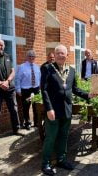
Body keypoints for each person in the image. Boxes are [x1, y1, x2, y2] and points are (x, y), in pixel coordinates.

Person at [40, 44, 93, 176]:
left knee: (64, 136)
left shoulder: (72, 70)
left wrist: (88, 95)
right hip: (53, 110)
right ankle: (45, 163)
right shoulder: (47, 68)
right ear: (54, 54)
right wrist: (49, 108)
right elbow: (44, 90)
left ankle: (61, 159)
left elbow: (74, 89)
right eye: (57, 53)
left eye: (62, 53)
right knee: (51, 137)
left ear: (67, 55)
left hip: (67, 109)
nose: (60, 55)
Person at [15, 50, 41, 130]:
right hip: (26, 90)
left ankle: (36, 122)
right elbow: (17, 79)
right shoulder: (21, 67)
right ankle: (27, 123)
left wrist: (40, 88)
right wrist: (18, 89)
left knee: (36, 106)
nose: (31, 57)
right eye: (29, 56)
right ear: (26, 57)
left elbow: (40, 78)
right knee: (26, 107)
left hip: (36, 89)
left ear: (35, 58)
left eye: (33, 56)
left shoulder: (37, 67)